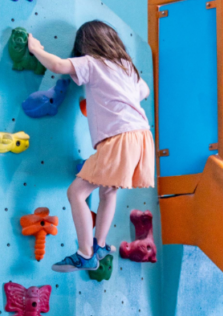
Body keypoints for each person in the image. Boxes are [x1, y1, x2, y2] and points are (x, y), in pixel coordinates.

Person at [28, 21, 155, 273]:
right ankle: (99, 245)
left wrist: (35, 49)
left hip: (118, 138)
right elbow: (145, 91)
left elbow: (58, 65)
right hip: (141, 137)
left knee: (76, 193)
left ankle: (85, 253)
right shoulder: (126, 66)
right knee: (108, 192)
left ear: (85, 45)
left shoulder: (92, 63)